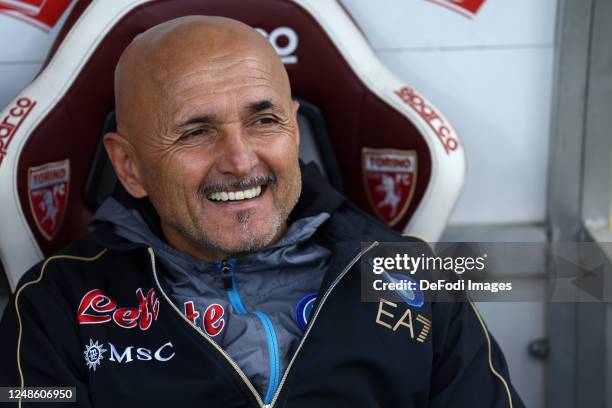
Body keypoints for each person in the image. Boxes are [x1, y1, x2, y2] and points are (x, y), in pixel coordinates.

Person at [0, 16, 524, 407]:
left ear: (294, 130)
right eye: (196, 132)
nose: (241, 160)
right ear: (129, 165)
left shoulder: (420, 274)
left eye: (264, 120)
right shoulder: (53, 306)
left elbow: (582, 275)